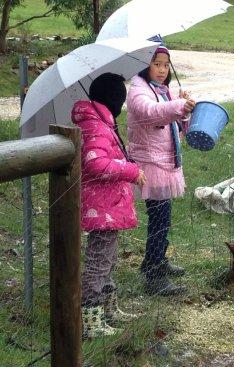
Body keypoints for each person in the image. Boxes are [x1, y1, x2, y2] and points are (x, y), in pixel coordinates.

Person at [71, 72, 147, 338]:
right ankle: (90, 320)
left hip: (108, 206)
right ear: (114, 100)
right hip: (100, 206)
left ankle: (109, 308)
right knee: (98, 262)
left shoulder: (103, 123)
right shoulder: (96, 126)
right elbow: (95, 164)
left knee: (108, 258)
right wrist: (130, 170)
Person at [126, 45, 195, 296]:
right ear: (146, 65)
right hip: (150, 165)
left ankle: (156, 260)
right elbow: (151, 113)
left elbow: (175, 125)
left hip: (165, 162)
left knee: (163, 219)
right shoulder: (138, 90)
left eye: (166, 65)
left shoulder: (162, 90)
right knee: (158, 220)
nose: (162, 70)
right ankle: (154, 276)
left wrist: (183, 112)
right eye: (157, 64)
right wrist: (178, 105)